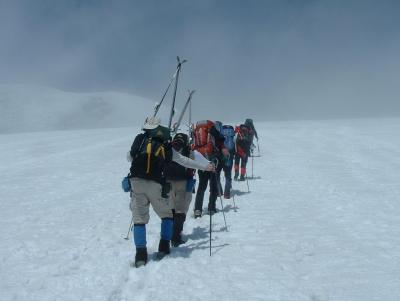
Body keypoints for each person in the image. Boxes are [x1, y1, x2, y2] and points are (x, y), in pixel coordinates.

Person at [127, 117, 214, 267]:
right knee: (167, 215)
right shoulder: (165, 146)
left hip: (136, 183)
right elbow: (183, 160)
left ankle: (140, 255)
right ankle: (164, 246)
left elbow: (129, 157)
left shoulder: (141, 140)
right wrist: (205, 167)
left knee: (139, 219)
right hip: (156, 184)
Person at [164, 132, 206, 247]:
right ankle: (176, 237)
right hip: (184, 183)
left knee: (171, 209)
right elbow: (195, 163)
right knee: (181, 211)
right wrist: (208, 166)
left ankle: (170, 234)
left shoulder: (169, 149)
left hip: (168, 182)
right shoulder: (189, 152)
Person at [192, 120, 229, 218]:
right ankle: (211, 208)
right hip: (213, 161)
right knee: (213, 186)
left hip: (201, 161)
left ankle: (198, 209)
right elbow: (220, 141)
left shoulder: (196, 131)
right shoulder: (212, 130)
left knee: (201, 186)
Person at [219, 124, 236, 198]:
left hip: (220, 156)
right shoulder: (232, 134)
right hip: (229, 156)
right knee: (228, 175)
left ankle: (219, 191)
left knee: (217, 174)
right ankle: (227, 194)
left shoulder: (220, 133)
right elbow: (235, 145)